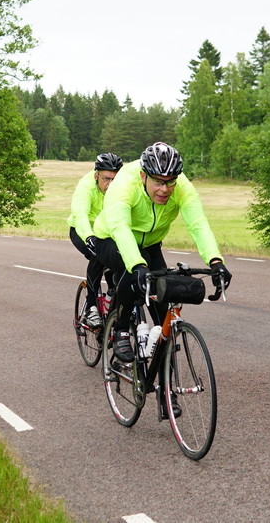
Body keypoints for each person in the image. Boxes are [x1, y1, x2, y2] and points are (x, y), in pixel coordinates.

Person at [93, 142, 231, 415]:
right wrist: (137, 265)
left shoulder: (182, 187)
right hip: (111, 237)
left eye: (170, 182)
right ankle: (121, 327)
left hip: (150, 243)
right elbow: (120, 226)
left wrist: (216, 261)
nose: (164, 189)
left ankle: (166, 391)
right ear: (143, 176)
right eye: (158, 182)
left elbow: (197, 223)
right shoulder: (125, 184)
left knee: (163, 317)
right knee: (131, 273)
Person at [67, 152, 124, 327]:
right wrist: (89, 238)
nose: (110, 184)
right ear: (96, 175)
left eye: (115, 179)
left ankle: (110, 298)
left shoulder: (122, 188)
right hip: (82, 230)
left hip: (106, 232)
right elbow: (81, 215)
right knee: (98, 255)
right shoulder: (86, 186)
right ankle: (91, 307)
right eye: (106, 179)